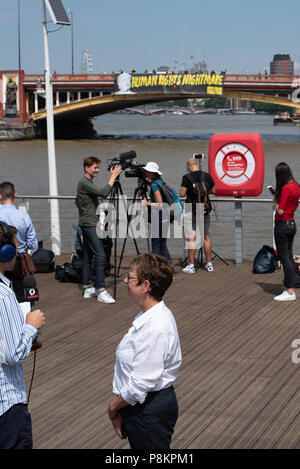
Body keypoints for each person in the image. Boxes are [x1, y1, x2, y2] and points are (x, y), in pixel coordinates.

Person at [108, 253, 182, 449]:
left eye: (130, 278)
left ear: (146, 286)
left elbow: (141, 383)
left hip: (148, 409)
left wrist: (114, 407)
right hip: (140, 406)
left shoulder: (155, 327)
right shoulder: (149, 316)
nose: (125, 281)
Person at [0, 222, 45, 449]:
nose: (18, 253)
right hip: (7, 406)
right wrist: (31, 326)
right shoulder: (4, 296)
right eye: (15, 248)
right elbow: (12, 356)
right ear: (4, 252)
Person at [76, 156, 122, 303]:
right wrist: (113, 176)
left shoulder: (86, 183)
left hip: (87, 222)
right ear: (86, 168)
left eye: (98, 167)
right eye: (95, 168)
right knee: (101, 255)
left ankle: (87, 287)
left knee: (88, 256)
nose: (97, 170)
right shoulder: (84, 183)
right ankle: (101, 290)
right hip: (90, 224)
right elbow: (103, 193)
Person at [0, 181, 39, 301]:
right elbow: (33, 244)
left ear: (0, 196)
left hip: (0, 261)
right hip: (18, 260)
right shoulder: (24, 217)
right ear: (15, 195)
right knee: (21, 296)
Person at [180, 158, 215, 273]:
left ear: (188, 166)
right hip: (205, 208)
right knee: (206, 237)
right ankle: (209, 264)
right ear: (197, 165)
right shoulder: (207, 176)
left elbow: (182, 193)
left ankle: (191, 265)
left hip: (191, 208)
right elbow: (214, 190)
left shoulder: (186, 177)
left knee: (191, 237)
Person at [273, 162, 300, 301]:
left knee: (284, 258)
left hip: (282, 224)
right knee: (289, 256)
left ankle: (289, 291)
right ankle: (291, 286)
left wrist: (275, 201)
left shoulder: (286, 188)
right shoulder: (296, 186)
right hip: (292, 223)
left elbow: (280, 210)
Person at [141, 162, 171, 263]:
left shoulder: (154, 185)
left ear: (153, 173)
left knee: (156, 245)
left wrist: (147, 204)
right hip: (165, 216)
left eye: (148, 172)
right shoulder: (160, 181)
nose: (146, 173)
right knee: (162, 244)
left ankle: (155, 270)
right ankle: (168, 268)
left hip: (159, 216)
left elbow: (160, 204)